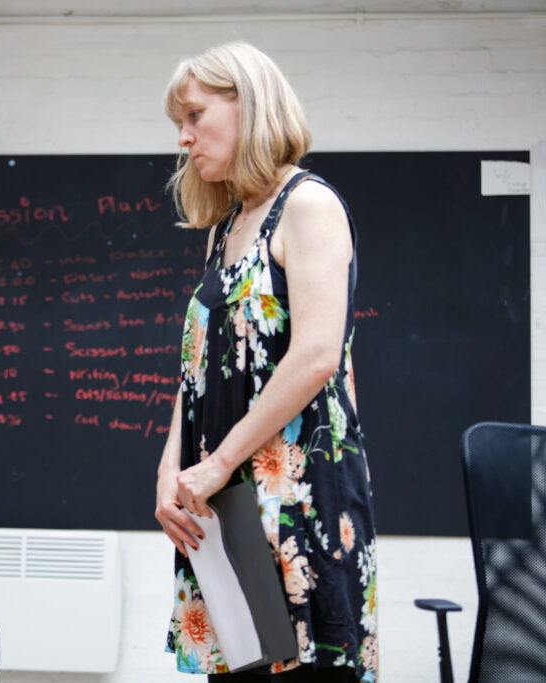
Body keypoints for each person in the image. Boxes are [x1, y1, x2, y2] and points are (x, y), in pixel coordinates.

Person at [154, 42, 377, 682]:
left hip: (300, 505)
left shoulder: (308, 205)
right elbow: (197, 370)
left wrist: (218, 463)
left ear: (247, 104)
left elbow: (314, 357)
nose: (183, 137)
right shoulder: (226, 226)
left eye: (195, 116)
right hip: (227, 512)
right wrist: (171, 472)